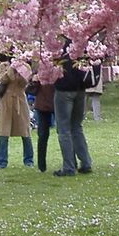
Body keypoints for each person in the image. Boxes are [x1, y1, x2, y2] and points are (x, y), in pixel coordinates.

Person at [52, 43, 92, 176]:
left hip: (64, 89)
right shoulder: (81, 42)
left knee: (64, 130)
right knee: (76, 127)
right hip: (80, 89)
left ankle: (69, 167)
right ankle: (86, 163)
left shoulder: (55, 45)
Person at [0, 54, 34, 168]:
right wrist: (12, 68)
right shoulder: (3, 66)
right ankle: (2, 162)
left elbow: (24, 82)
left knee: (25, 131)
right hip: (6, 102)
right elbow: (4, 79)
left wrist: (21, 69)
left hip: (20, 101)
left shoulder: (26, 66)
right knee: (4, 132)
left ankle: (29, 160)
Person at [30, 77, 56, 171]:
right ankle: (41, 165)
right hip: (44, 105)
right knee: (43, 135)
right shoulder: (41, 70)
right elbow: (31, 90)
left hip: (48, 104)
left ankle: (42, 165)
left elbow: (31, 90)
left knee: (43, 135)